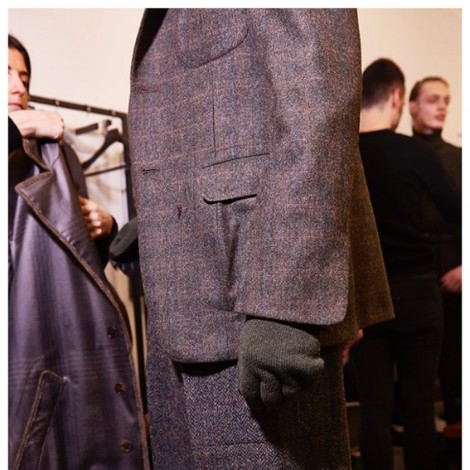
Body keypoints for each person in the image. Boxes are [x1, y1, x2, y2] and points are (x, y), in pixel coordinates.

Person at [127, 9, 393, 469]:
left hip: (253, 295)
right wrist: (159, 219)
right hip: (190, 292)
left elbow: (318, 96)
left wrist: (287, 304)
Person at [8, 34, 150, 469]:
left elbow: (71, 263)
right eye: (5, 73)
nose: (18, 86)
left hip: (72, 343)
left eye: (24, 76)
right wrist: (21, 126)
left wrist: (103, 228)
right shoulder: (32, 137)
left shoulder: (53, 152)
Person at [349, 58, 461, 470]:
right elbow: (458, 211)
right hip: (417, 291)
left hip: (366, 294)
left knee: (375, 410)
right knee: (419, 407)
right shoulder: (415, 152)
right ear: (398, 97)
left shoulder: (343, 154)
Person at [409, 77, 462, 436]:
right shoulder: (399, 153)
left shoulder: (459, 157)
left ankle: (456, 426)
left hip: (454, 259)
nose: (441, 106)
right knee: (415, 356)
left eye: (446, 100)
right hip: (414, 262)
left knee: (454, 351)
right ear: (411, 106)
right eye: (432, 99)